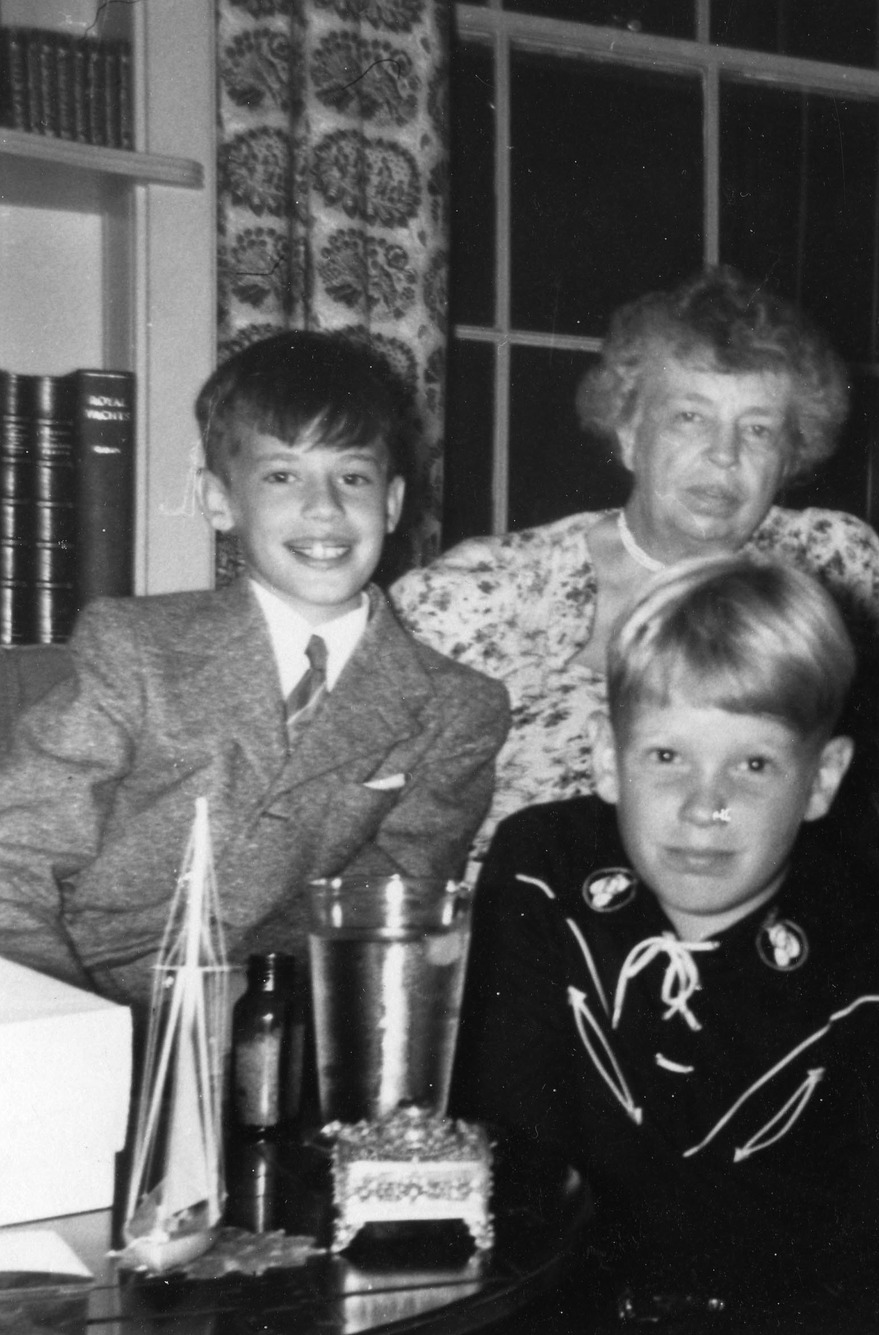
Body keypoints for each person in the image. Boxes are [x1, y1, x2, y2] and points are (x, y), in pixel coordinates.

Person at [452, 556, 879, 1333]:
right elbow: (507, 1166)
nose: (702, 805)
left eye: (753, 764)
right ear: (604, 756)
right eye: (665, 755)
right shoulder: (543, 876)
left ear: (822, 778)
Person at [0, 332, 510, 1005]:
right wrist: (65, 1025)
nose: (324, 506)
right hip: (79, 998)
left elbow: (383, 916)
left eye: (352, 476)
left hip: (275, 1023)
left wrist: (255, 1014)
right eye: (281, 475)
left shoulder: (455, 708)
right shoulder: (134, 646)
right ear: (218, 500)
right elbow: (18, 856)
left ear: (391, 503)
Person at [392, 268, 879, 864]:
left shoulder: (835, 565)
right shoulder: (482, 595)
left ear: (791, 456)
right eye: (690, 417)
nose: (724, 455)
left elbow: (862, 796)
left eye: (758, 430)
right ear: (629, 432)